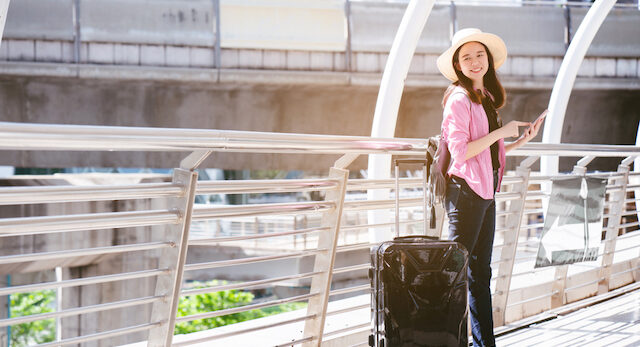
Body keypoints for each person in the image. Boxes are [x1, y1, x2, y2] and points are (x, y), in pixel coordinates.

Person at [436, 28, 547, 346]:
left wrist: (518, 141)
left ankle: (484, 343)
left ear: (488, 59)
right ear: (458, 65)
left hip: (485, 193)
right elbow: (461, 152)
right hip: (465, 194)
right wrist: (502, 132)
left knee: (479, 274)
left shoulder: (483, 98)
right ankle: (448, 339)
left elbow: (484, 153)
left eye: (479, 55)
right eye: (466, 57)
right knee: (454, 274)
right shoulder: (458, 99)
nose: (474, 62)